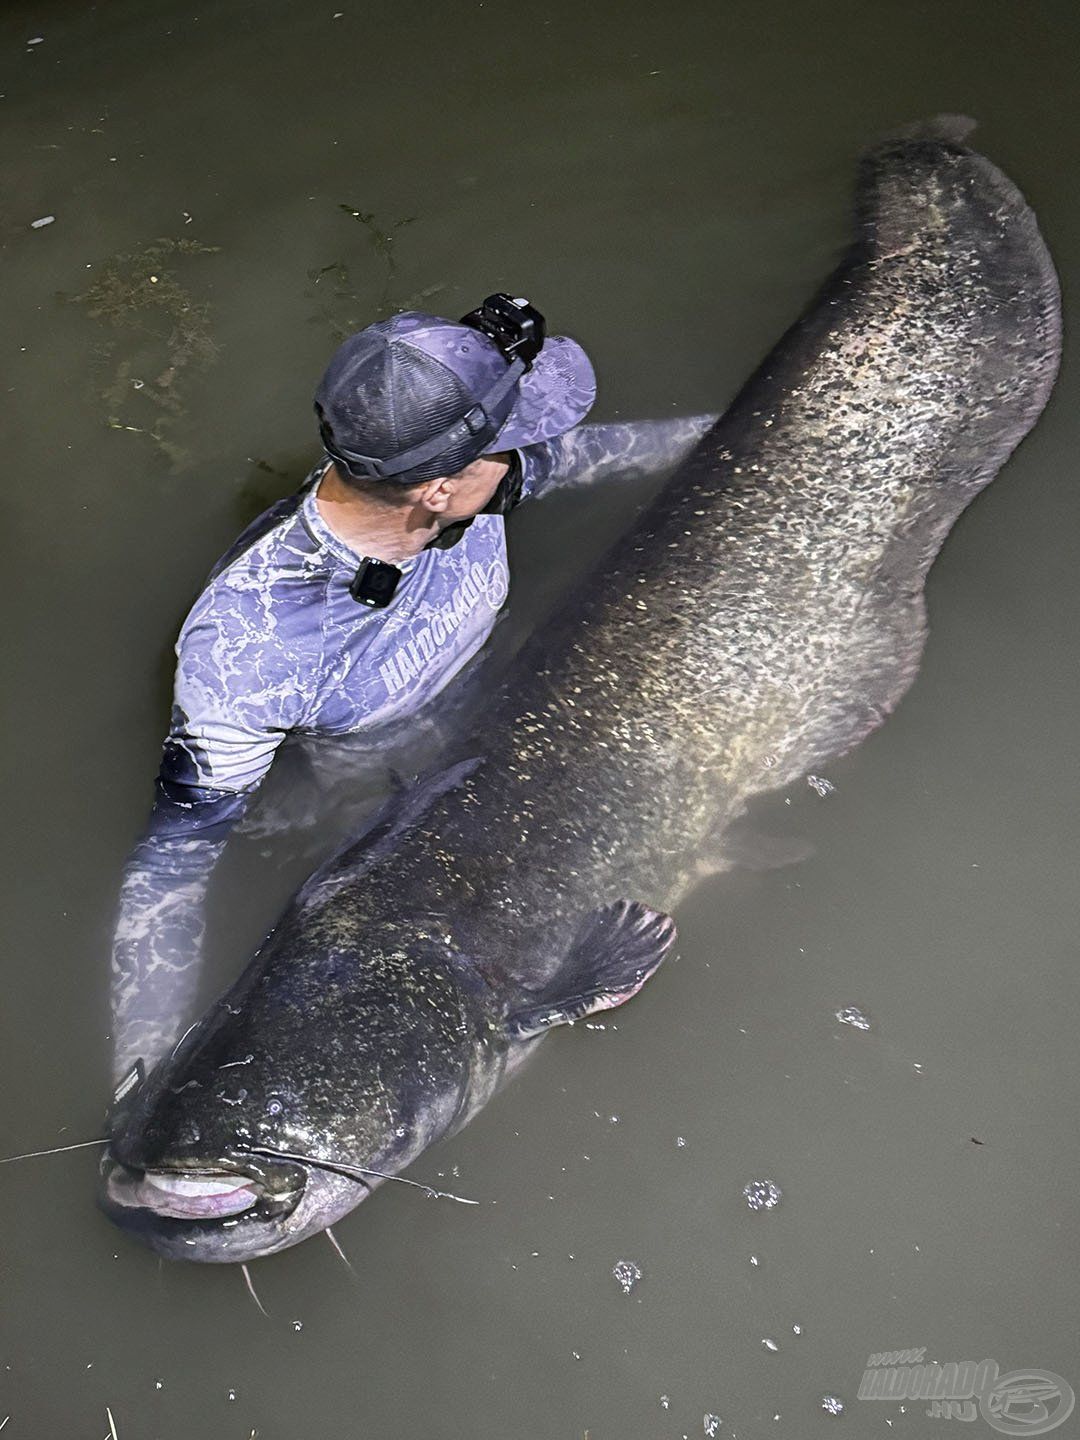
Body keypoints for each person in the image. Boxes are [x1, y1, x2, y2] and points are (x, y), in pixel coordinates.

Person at [109, 295, 715, 1089]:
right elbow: (171, 868)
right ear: (436, 488)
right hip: (375, 797)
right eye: (512, 437)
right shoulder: (250, 652)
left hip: (506, 723)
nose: (530, 448)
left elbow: (580, 458)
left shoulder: (459, 481)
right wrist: (141, 1070)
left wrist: (741, 437)